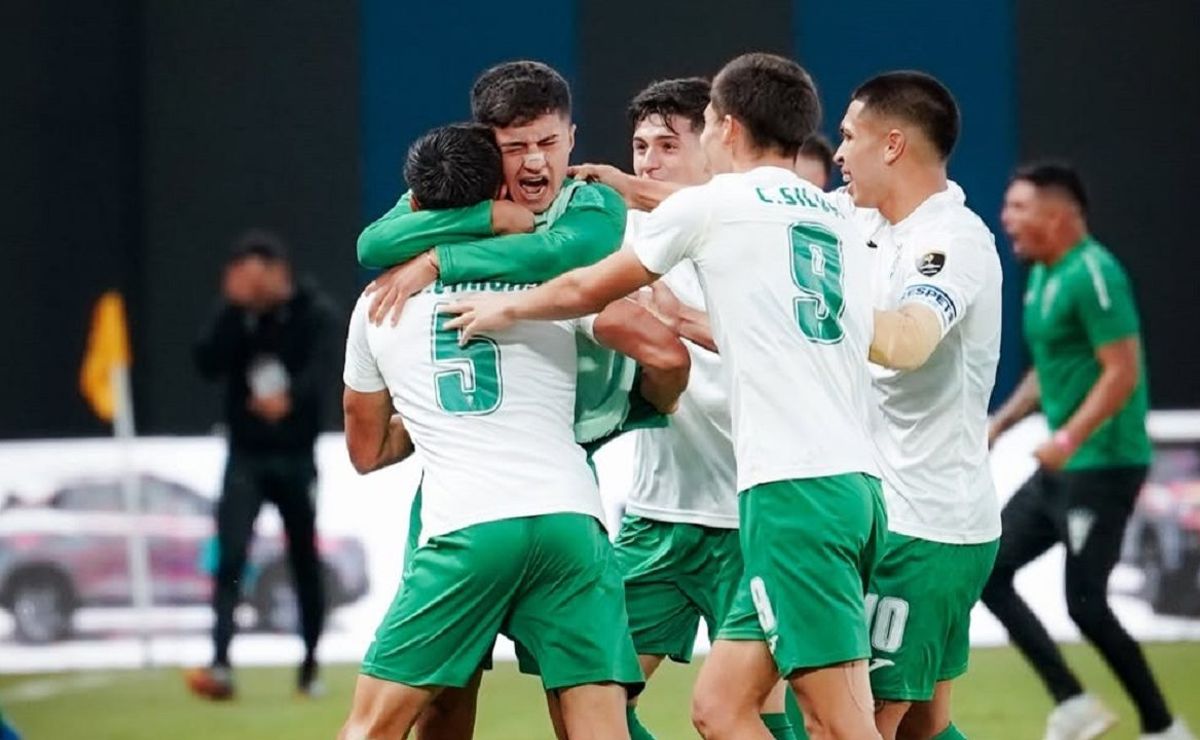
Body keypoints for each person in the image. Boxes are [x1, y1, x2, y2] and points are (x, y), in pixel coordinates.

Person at [444, 52, 887, 740]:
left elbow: (588, 290)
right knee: (721, 709)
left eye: (701, 125)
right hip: (843, 484)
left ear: (728, 129)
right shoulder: (840, 222)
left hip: (790, 492)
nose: (662, 155)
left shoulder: (712, 209)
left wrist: (504, 308)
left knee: (833, 724)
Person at [338, 120, 691, 739]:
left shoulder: (377, 305)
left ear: (415, 206)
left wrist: (435, 417)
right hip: (569, 525)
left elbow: (366, 451)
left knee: (375, 727)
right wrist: (647, 404)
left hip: (466, 529)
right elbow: (664, 355)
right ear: (498, 193)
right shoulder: (548, 287)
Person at [600, 77, 797, 740]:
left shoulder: (755, 229)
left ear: (715, 144)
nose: (647, 160)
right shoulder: (623, 234)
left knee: (764, 713)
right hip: (658, 514)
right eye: (638, 146)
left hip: (751, 512)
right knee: (594, 700)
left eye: (667, 143)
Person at [984, 163, 1193, 740]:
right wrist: (1000, 423)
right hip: (1064, 466)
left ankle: (1162, 725)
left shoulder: (1095, 274)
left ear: (1059, 214)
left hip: (1103, 464)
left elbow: (1122, 372)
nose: (1007, 219)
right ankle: (1073, 701)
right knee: (988, 569)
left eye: (1018, 208)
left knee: (1085, 604)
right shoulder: (1043, 277)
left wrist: (1068, 437)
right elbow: (1049, 373)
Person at [833, 71, 1002, 740]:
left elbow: (906, 343)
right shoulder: (859, 218)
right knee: (920, 728)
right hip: (894, 515)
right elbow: (752, 217)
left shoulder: (953, 242)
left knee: (844, 720)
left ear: (893, 144)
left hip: (925, 524)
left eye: (850, 137)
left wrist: (811, 316)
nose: (838, 153)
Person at [185, 230, 342, 700]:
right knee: (231, 556)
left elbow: (325, 370)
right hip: (246, 457)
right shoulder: (235, 315)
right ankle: (220, 663)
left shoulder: (314, 313)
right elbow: (206, 363)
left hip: (296, 456)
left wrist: (289, 398)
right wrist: (234, 311)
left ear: (279, 272)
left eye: (258, 278)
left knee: (303, 562)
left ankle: (310, 666)